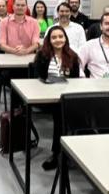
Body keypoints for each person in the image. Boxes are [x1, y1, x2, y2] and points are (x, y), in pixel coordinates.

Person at [34, 26, 81, 170]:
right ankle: (57, 154)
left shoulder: (72, 56)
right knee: (60, 114)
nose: (58, 40)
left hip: (67, 96)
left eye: (61, 36)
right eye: (54, 37)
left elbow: (74, 80)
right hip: (47, 97)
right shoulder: (42, 55)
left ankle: (71, 153)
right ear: (49, 40)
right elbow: (40, 78)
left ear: (65, 38)